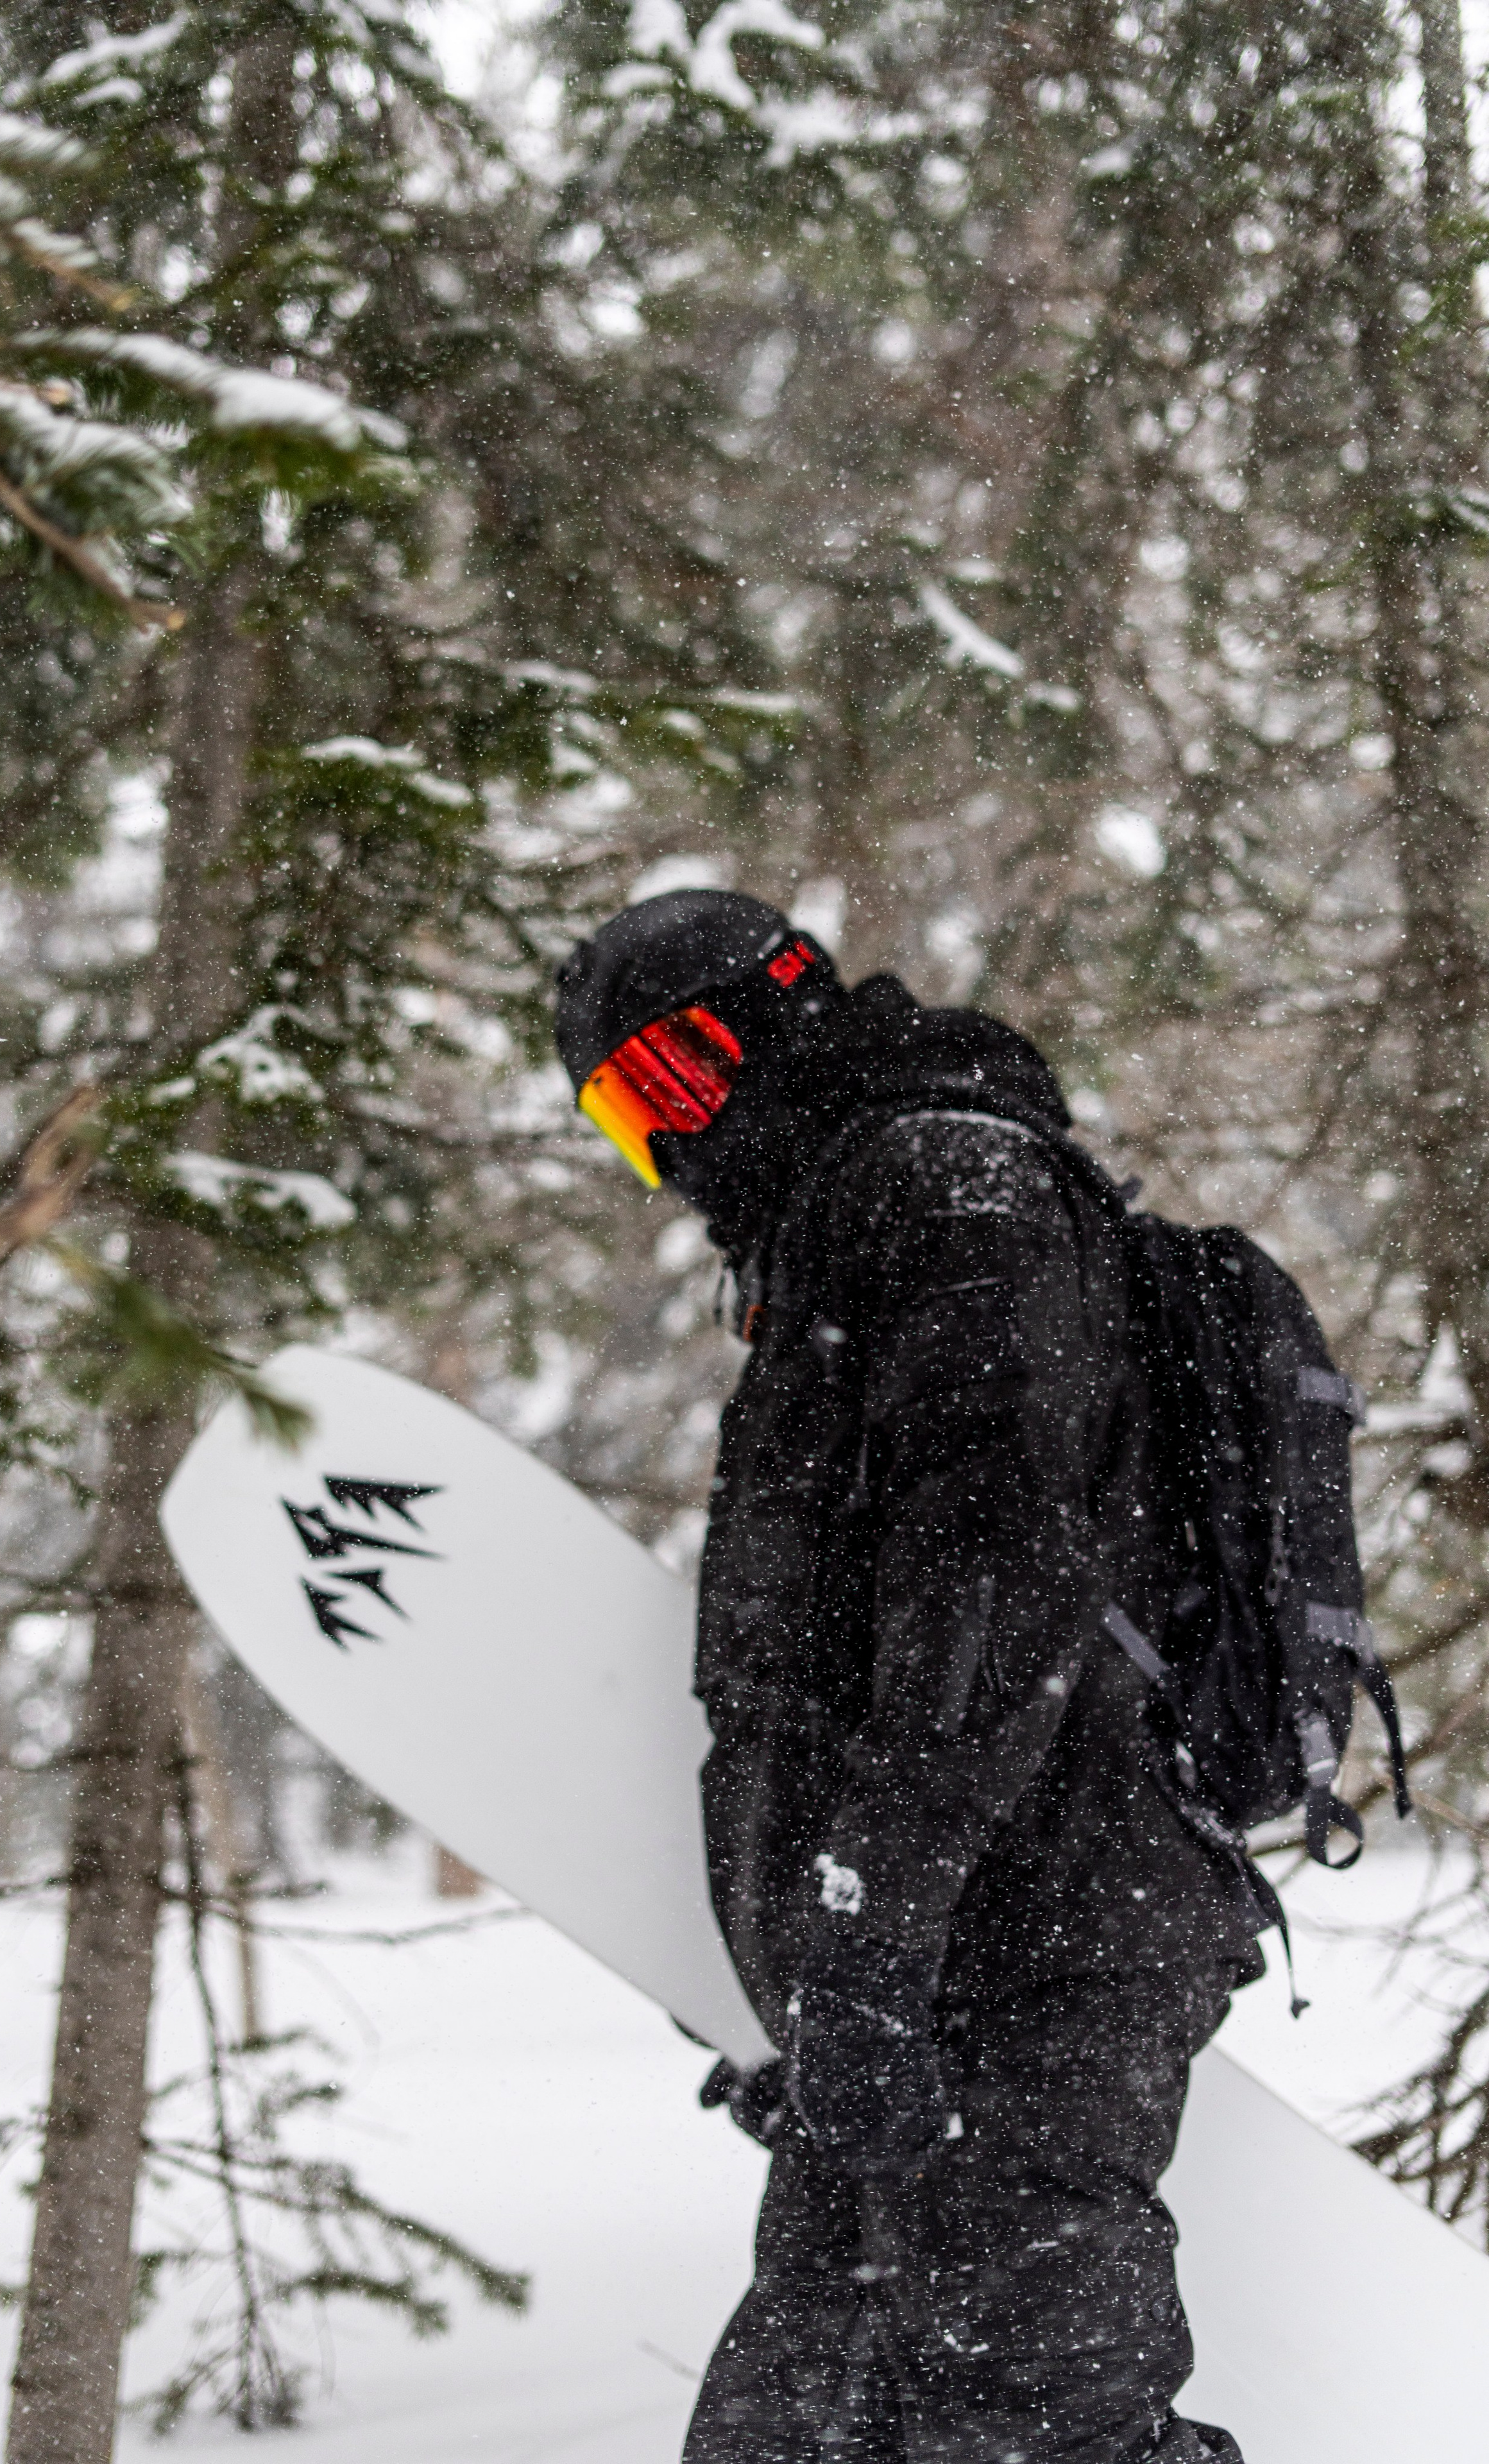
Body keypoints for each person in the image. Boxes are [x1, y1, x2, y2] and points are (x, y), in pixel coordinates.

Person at [554, 889, 1264, 2464]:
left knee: (1035, 2425)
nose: (665, 1154)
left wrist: (868, 1946)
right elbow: (829, 1670)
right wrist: (817, 1994)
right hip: (932, 1951)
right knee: (796, 2424)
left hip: (1048, 1927)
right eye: (622, 1124)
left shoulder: (944, 1194)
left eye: (666, 1091)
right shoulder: (846, 1227)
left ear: (759, 1028)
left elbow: (995, 1585)